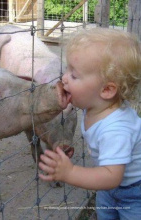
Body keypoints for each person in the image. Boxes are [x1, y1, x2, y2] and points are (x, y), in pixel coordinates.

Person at [38, 28, 141, 220]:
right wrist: (58, 102)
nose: (64, 77)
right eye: (67, 69)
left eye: (74, 76)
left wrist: (70, 172)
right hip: (108, 188)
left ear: (107, 90)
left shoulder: (116, 129)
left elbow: (111, 176)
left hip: (133, 193)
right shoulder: (97, 103)